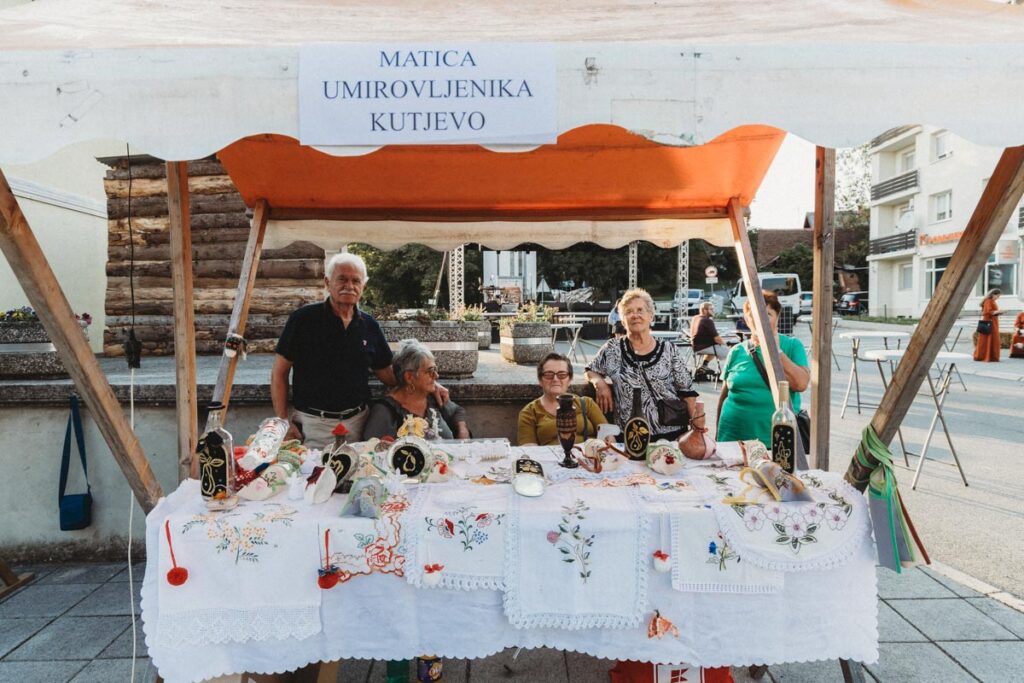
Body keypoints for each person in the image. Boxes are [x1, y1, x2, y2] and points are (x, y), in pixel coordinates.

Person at [271, 252, 448, 448]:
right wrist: (282, 421)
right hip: (313, 425)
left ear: (364, 285)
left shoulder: (369, 326)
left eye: (356, 280)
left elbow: (390, 375)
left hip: (359, 424)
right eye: (342, 279)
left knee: (361, 468)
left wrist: (428, 382)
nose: (349, 286)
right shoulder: (303, 320)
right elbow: (279, 373)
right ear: (327, 282)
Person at [586, 288, 700, 441]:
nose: (635, 315)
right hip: (630, 436)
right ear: (622, 320)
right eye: (628, 312)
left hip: (671, 436)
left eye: (640, 310)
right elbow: (591, 370)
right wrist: (599, 383)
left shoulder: (669, 349)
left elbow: (687, 392)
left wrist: (696, 431)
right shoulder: (612, 348)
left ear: (650, 316)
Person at [716, 290, 810, 447]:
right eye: (754, 314)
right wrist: (717, 435)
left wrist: (776, 351)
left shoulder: (792, 346)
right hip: (731, 436)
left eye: (768, 314)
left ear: (777, 318)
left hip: (774, 440)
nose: (761, 319)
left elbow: (800, 384)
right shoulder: (737, 351)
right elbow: (724, 396)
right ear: (747, 319)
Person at [363, 339, 469, 440]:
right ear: (409, 377)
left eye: (435, 369)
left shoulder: (433, 397)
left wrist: (462, 431)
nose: (436, 376)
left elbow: (456, 411)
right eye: (430, 371)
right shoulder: (384, 412)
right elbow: (371, 447)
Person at [517, 353, 607, 446]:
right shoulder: (529, 412)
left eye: (562, 374)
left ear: (569, 380)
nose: (555, 379)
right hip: (551, 455)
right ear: (540, 380)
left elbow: (608, 436)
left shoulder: (586, 403)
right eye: (549, 374)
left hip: (588, 453)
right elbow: (528, 448)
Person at [689, 301, 729, 372]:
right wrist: (726, 345)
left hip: (695, 346)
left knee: (714, 348)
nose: (713, 311)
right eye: (711, 309)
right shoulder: (708, 321)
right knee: (732, 353)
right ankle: (730, 371)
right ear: (704, 310)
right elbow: (717, 339)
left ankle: (704, 365)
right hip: (704, 347)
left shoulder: (695, 318)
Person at [974, 288, 1002, 362]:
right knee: (988, 338)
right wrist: (999, 311)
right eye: (997, 296)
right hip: (989, 322)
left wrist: (999, 312)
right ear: (993, 294)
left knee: (992, 338)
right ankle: (986, 356)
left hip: (992, 321)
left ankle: (990, 356)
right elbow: (988, 312)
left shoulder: (992, 301)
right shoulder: (988, 301)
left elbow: (992, 312)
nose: (998, 298)